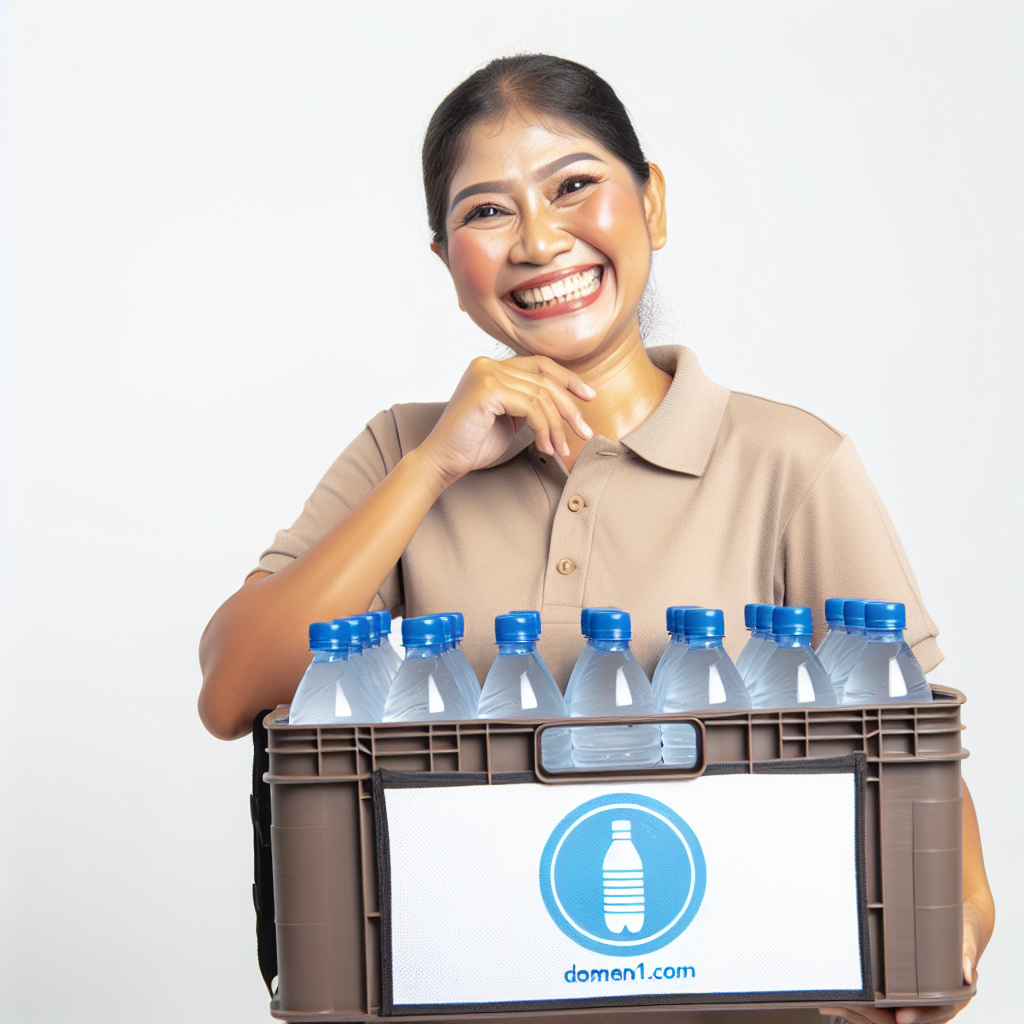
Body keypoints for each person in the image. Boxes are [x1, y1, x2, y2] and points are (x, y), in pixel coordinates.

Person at [197, 55, 993, 1023]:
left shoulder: (790, 462)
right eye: (485, 212)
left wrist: (952, 905)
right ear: (448, 262)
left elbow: (910, 750)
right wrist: (435, 467)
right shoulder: (401, 450)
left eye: (574, 186)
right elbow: (235, 687)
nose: (537, 239)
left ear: (652, 204)